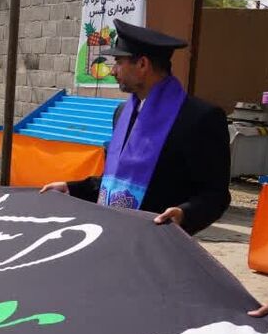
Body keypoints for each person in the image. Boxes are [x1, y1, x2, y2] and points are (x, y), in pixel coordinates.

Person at [41, 19, 230, 235]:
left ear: (142, 65)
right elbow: (116, 180)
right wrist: (72, 188)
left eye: (119, 62)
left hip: (160, 242)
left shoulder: (200, 117)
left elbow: (215, 194)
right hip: (114, 234)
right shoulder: (123, 113)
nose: (113, 71)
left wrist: (185, 214)